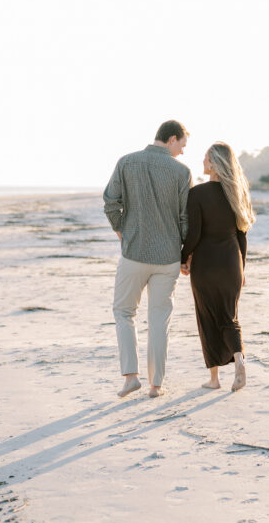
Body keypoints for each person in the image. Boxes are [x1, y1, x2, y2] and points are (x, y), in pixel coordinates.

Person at [104, 120, 192, 398]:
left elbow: (110, 201)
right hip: (167, 257)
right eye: (182, 146)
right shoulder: (181, 172)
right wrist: (185, 253)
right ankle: (156, 385)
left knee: (123, 312)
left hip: (134, 252)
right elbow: (185, 218)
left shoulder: (127, 162)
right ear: (172, 139)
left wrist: (121, 229)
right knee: (159, 319)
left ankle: (131, 376)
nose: (182, 152)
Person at [181, 141, 256, 392]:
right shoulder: (238, 193)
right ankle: (239, 361)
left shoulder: (198, 194)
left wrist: (183, 257)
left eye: (205, 158)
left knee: (207, 317)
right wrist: (242, 267)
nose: (202, 162)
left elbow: (193, 235)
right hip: (232, 263)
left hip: (206, 264)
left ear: (213, 163)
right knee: (229, 317)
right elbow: (242, 235)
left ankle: (214, 380)